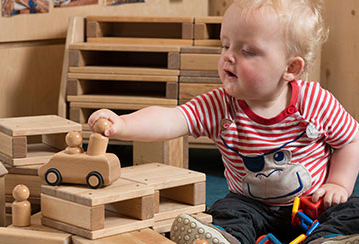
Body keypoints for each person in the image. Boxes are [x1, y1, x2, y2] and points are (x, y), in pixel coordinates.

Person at [88, 0, 359, 243]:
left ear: (290, 69)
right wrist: (123, 124)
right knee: (226, 211)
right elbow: (173, 118)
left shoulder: (315, 102)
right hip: (250, 204)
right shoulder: (220, 105)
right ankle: (225, 237)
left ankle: (330, 238)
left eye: (248, 51)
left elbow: (350, 139)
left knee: (352, 209)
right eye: (225, 45)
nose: (228, 56)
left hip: (312, 203)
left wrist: (339, 184)